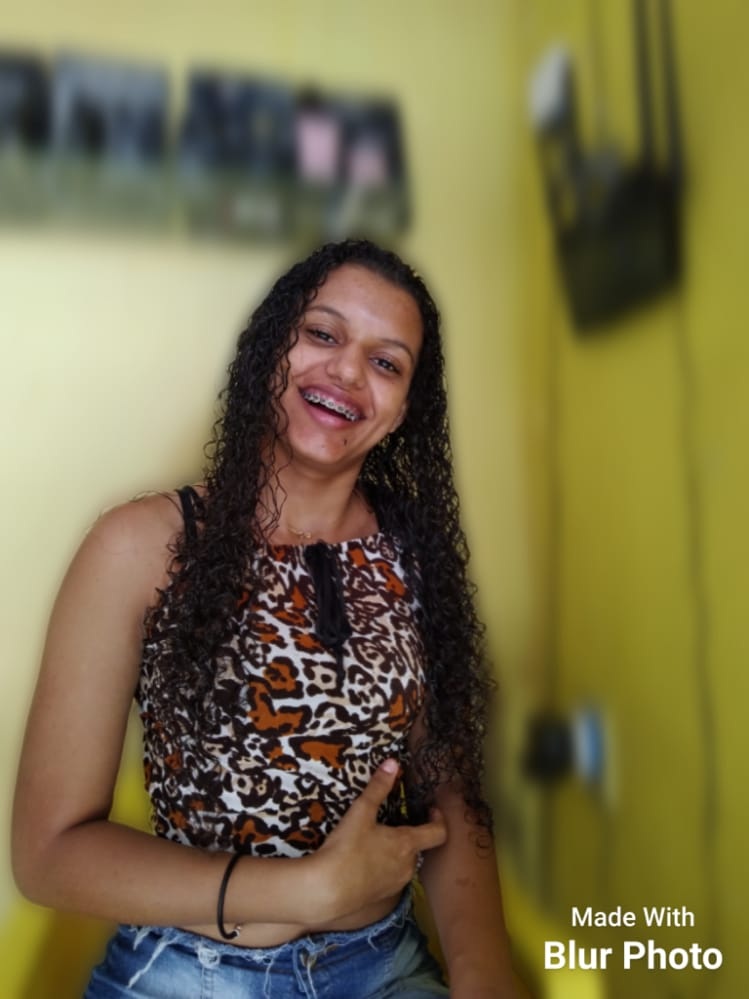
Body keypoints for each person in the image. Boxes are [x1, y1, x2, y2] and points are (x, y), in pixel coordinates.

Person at [12, 238, 517, 997]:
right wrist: (304, 890)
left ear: (403, 411)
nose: (348, 371)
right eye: (322, 333)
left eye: (386, 363)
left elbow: (449, 792)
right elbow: (49, 854)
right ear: (270, 345)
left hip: (383, 966)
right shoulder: (139, 547)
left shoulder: (414, 556)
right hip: (188, 972)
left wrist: (483, 972)